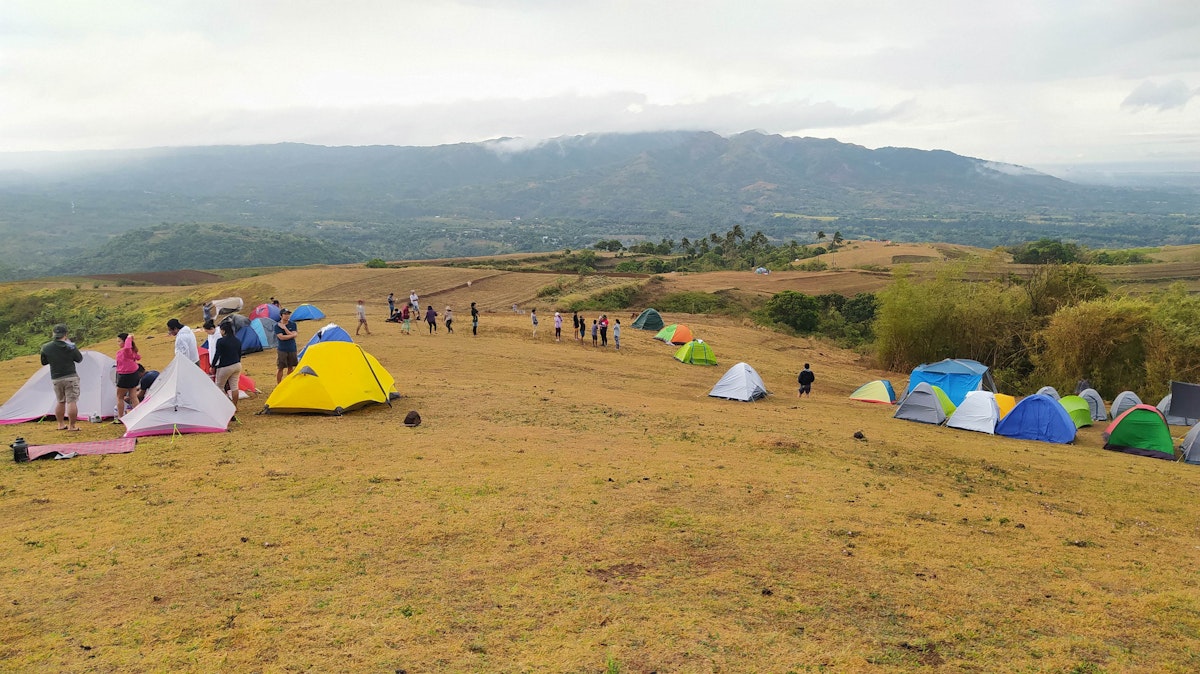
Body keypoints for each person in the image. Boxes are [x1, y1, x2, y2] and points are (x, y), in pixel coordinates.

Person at [40, 324, 83, 431]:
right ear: (65, 334)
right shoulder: (70, 346)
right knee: (71, 401)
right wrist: (71, 345)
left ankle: (60, 424)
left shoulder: (46, 347)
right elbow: (79, 359)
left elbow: (44, 362)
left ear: (53, 334)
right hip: (70, 377)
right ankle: (72, 426)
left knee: (60, 401)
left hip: (56, 378)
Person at [210, 321, 243, 419]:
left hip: (225, 366)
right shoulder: (237, 340)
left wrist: (212, 365)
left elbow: (217, 354)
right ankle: (235, 406)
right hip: (237, 364)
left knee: (219, 387)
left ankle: (227, 406)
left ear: (223, 331)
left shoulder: (221, 341)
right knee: (234, 386)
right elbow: (239, 353)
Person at [114, 332, 141, 423]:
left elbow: (127, 347)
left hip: (124, 375)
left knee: (119, 397)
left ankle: (120, 417)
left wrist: (129, 338)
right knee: (133, 396)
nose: (118, 343)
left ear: (125, 342)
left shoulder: (126, 351)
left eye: (119, 341)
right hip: (133, 374)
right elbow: (138, 357)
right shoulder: (132, 352)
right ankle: (138, 415)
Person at [274, 308, 299, 383]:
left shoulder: (293, 324)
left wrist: (285, 329)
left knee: (291, 367)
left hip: (292, 348)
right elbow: (281, 337)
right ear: (281, 315)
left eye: (288, 314)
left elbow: (295, 335)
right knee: (280, 368)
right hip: (282, 349)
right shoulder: (277, 326)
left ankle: (289, 383)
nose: (287, 316)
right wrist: (291, 335)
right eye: (285, 314)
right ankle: (279, 384)